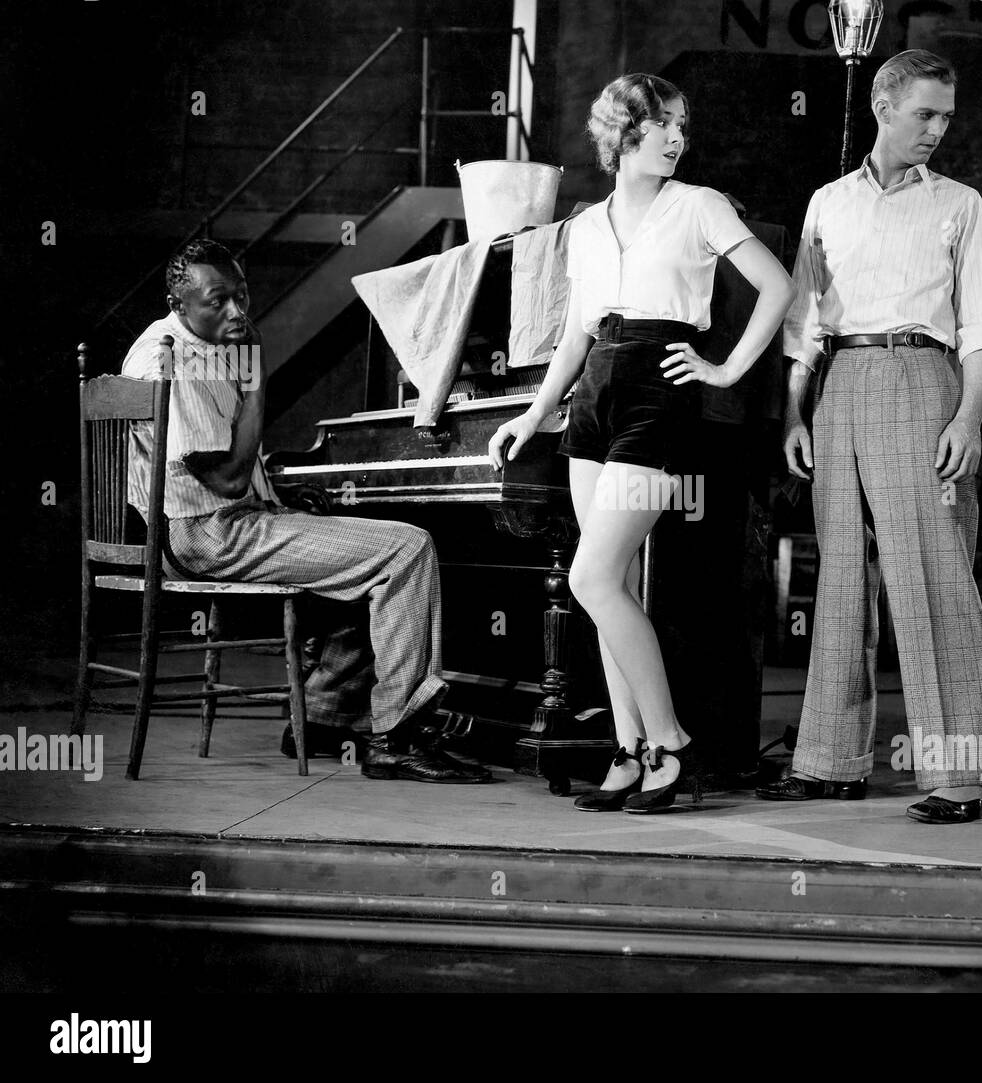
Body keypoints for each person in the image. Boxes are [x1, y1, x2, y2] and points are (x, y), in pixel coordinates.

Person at [488, 74, 794, 813]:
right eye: (665, 123)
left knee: (592, 578)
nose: (678, 137)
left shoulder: (699, 205)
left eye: (683, 125)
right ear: (624, 130)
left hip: (660, 397)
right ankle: (629, 752)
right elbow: (574, 333)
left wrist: (722, 369)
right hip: (595, 392)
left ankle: (671, 740)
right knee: (610, 589)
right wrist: (536, 415)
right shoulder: (587, 225)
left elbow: (779, 286)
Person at [121, 238, 489, 784]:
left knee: (350, 542)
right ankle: (397, 738)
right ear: (177, 304)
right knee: (405, 547)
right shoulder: (170, 358)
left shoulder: (192, 342)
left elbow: (226, 473)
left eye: (241, 296)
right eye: (217, 300)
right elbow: (225, 480)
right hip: (206, 534)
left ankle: (323, 716)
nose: (236, 312)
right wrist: (256, 383)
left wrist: (281, 499)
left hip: (210, 524)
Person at [757, 50, 982, 823]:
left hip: (922, 376)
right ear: (882, 108)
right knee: (839, 580)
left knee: (934, 575)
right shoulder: (828, 202)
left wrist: (967, 417)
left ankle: (959, 775)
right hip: (840, 385)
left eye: (945, 117)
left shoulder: (959, 205)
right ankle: (833, 762)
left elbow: (980, 328)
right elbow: (804, 321)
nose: (936, 129)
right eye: (924, 113)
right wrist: (795, 411)